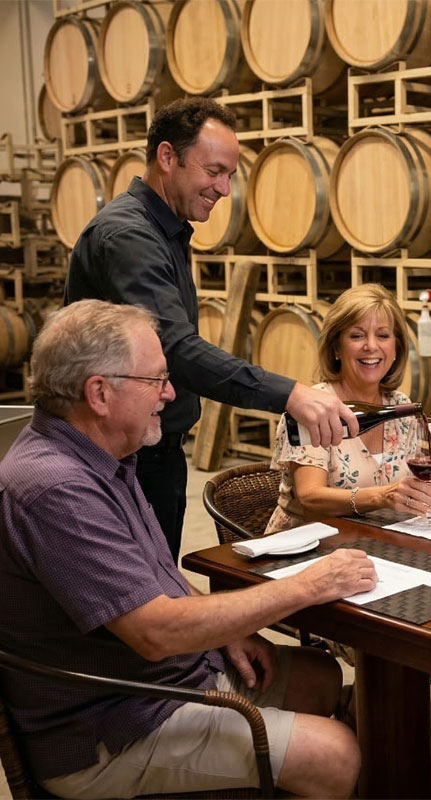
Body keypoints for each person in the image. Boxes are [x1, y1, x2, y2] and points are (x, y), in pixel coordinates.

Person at [0, 300, 377, 799]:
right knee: (338, 753)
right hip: (108, 728)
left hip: (151, 683)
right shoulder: (56, 489)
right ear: (99, 393)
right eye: (155, 380)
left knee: (321, 675)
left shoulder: (102, 454)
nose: (170, 392)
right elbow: (154, 632)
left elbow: (149, 578)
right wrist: (309, 585)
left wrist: (221, 631)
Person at [64, 97, 358, 562]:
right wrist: (291, 394)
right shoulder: (130, 238)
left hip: (150, 450)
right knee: (138, 605)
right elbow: (175, 350)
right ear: (166, 157)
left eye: (229, 176)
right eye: (213, 171)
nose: (223, 188)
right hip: (125, 459)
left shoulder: (165, 230)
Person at [265, 284, 431, 533]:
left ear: (397, 347)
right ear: (336, 347)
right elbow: (309, 497)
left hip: (374, 542)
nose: (371, 346)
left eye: (383, 335)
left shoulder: (400, 406)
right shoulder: (313, 407)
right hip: (304, 548)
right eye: (357, 336)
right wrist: (382, 497)